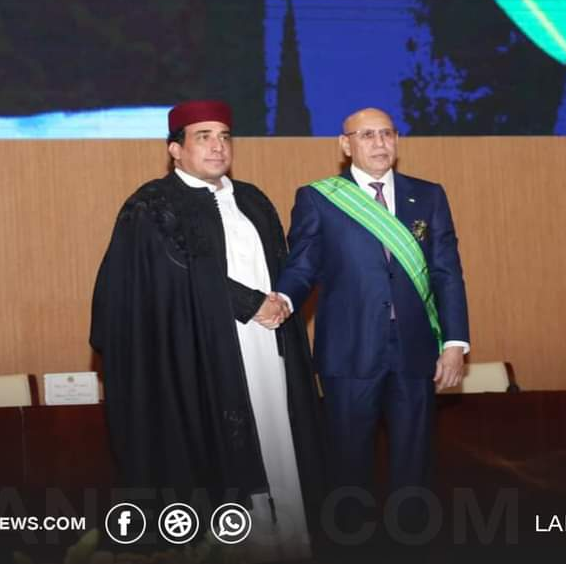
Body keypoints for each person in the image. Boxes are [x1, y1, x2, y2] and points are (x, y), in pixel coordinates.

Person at [90, 100, 324, 561]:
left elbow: (283, 265)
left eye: (224, 136)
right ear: (175, 149)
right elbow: (172, 277)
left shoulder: (253, 200)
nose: (218, 146)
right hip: (199, 356)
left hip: (267, 347)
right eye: (203, 137)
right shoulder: (152, 205)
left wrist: (280, 302)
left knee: (279, 439)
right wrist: (248, 303)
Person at [275, 107, 470, 540]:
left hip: (416, 351)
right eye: (367, 135)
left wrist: (455, 342)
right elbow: (302, 265)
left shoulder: (428, 195)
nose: (380, 143)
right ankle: (351, 547)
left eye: (387, 134)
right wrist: (283, 298)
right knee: (348, 465)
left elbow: (446, 272)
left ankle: (412, 545)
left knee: (415, 464)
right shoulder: (319, 198)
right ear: (345, 145)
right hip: (349, 351)